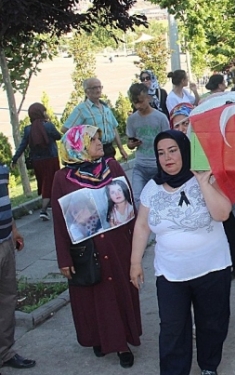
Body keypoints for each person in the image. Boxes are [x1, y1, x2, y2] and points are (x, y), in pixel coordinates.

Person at [130, 130, 233, 375]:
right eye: (161, 153)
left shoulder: (206, 177)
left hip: (212, 268)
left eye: (173, 150)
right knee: (172, 328)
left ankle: (209, 366)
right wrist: (135, 262)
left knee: (212, 323)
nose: (168, 157)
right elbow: (142, 226)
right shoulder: (152, 188)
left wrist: (202, 182)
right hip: (171, 273)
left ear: (185, 151)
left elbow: (222, 214)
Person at [52, 125, 141, 368]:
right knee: (94, 295)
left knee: (118, 292)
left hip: (117, 245)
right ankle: (99, 338)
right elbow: (60, 221)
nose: (100, 144)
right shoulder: (62, 178)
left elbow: (129, 203)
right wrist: (64, 258)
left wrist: (136, 246)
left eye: (100, 139)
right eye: (93, 140)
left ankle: (122, 343)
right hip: (87, 250)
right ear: (77, 146)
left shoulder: (111, 166)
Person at [0, 164, 36, 370]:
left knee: (7, 298)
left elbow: (5, 202)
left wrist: (14, 230)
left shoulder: (2, 169)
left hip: (5, 241)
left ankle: (5, 352)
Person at [11, 103, 61, 220]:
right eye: (44, 111)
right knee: (51, 184)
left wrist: (14, 159)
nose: (46, 113)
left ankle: (50, 205)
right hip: (51, 159)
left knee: (44, 183)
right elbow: (58, 136)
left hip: (37, 162)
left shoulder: (28, 129)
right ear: (40, 113)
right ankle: (43, 210)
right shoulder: (48, 126)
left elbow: (22, 145)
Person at [126, 83, 171, 208]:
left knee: (161, 199)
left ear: (149, 98)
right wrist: (132, 144)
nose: (138, 106)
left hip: (158, 166)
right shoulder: (132, 120)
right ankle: (143, 225)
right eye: (135, 103)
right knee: (137, 198)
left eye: (141, 101)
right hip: (140, 165)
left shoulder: (160, 118)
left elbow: (168, 141)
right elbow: (129, 143)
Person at [62, 78, 128, 160]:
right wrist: (84, 144)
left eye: (100, 87)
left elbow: (114, 128)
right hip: (93, 153)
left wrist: (121, 149)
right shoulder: (81, 109)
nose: (98, 90)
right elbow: (66, 129)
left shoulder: (105, 108)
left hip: (109, 150)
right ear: (87, 92)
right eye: (94, 88)